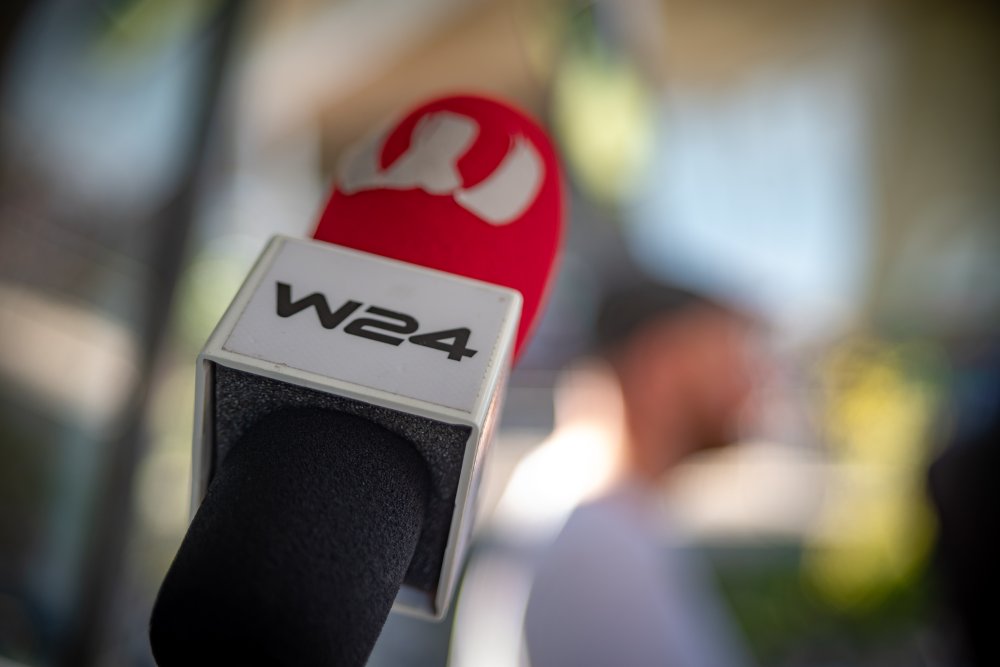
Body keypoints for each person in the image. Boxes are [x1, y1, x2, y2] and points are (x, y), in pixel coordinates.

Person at [520, 280, 759, 667]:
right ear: (660, 366)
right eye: (730, 359)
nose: (749, 386)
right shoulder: (599, 544)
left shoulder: (578, 499)